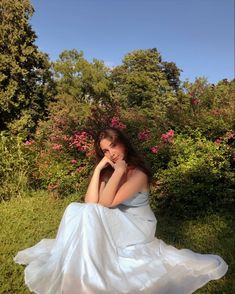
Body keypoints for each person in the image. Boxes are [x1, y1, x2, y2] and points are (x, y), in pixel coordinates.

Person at [14, 127, 228, 293]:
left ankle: (90, 276)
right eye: (105, 150)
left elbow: (106, 203)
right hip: (119, 220)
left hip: (139, 226)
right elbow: (91, 202)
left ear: (124, 144)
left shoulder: (139, 174)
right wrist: (99, 169)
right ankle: (79, 270)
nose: (111, 153)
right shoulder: (110, 170)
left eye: (113, 147)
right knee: (74, 208)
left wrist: (121, 170)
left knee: (89, 213)